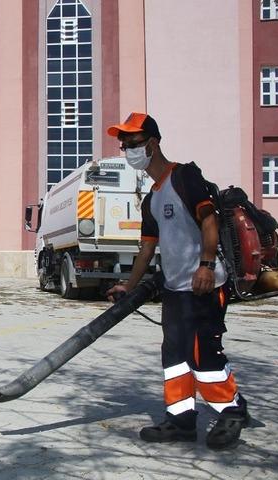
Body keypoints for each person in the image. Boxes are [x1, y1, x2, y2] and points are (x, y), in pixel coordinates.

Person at [105, 112, 249, 450]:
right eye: (123, 144)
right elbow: (146, 250)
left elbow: (209, 222)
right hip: (174, 291)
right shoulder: (152, 198)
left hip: (205, 286)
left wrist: (205, 265)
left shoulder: (185, 177)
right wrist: (129, 284)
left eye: (133, 143)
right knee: (175, 356)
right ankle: (181, 421)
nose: (127, 149)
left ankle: (231, 411)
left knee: (204, 355)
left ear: (152, 144)